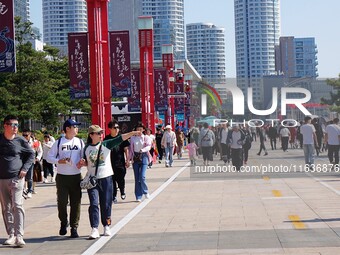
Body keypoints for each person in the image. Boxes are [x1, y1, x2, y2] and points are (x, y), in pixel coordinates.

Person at [80, 125, 139, 239]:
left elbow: (120, 138)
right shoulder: (86, 148)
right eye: (98, 133)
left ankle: (106, 225)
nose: (101, 135)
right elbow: (87, 162)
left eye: (101, 133)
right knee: (93, 203)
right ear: (91, 135)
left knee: (106, 203)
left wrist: (132, 133)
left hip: (106, 178)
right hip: (93, 180)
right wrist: (83, 163)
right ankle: (94, 228)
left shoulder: (106, 144)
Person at [46, 119, 85, 238]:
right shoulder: (59, 142)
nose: (77, 129)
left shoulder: (80, 142)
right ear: (67, 129)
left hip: (76, 176)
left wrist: (83, 161)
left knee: (76, 203)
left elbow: (84, 156)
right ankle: (64, 222)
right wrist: (59, 161)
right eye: (74, 127)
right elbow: (49, 157)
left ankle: (74, 227)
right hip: (62, 177)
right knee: (62, 202)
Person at [0, 115, 35, 247]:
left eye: (17, 125)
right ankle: (11, 235)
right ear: (5, 126)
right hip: (2, 178)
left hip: (17, 178)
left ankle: (19, 235)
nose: (15, 128)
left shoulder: (20, 140)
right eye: (12, 125)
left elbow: (31, 154)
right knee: (6, 207)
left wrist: (25, 168)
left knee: (17, 205)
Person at [103, 120, 130, 204]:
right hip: (110, 164)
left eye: (118, 127)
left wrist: (127, 160)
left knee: (121, 179)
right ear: (110, 129)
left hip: (120, 163)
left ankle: (122, 191)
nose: (117, 129)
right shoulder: (106, 139)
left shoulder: (121, 138)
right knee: (112, 181)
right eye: (115, 127)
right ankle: (113, 196)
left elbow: (126, 149)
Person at [128, 123, 153, 201]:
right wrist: (128, 159)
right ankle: (138, 196)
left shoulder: (146, 137)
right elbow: (130, 150)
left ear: (143, 130)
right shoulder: (132, 138)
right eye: (138, 129)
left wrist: (143, 150)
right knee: (137, 178)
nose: (139, 131)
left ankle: (145, 191)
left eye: (141, 129)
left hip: (144, 156)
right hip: (135, 157)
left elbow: (149, 146)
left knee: (142, 176)